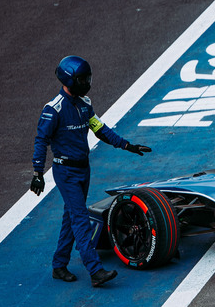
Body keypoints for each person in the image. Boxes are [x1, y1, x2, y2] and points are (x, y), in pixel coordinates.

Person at [30, 55, 152, 287]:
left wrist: (127, 145)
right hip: (65, 172)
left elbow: (101, 130)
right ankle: (95, 271)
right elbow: (40, 140)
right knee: (80, 220)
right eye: (83, 78)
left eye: (88, 77)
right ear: (69, 79)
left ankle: (59, 265)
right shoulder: (53, 110)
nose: (87, 82)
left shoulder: (85, 104)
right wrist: (37, 173)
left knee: (71, 217)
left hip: (83, 170)